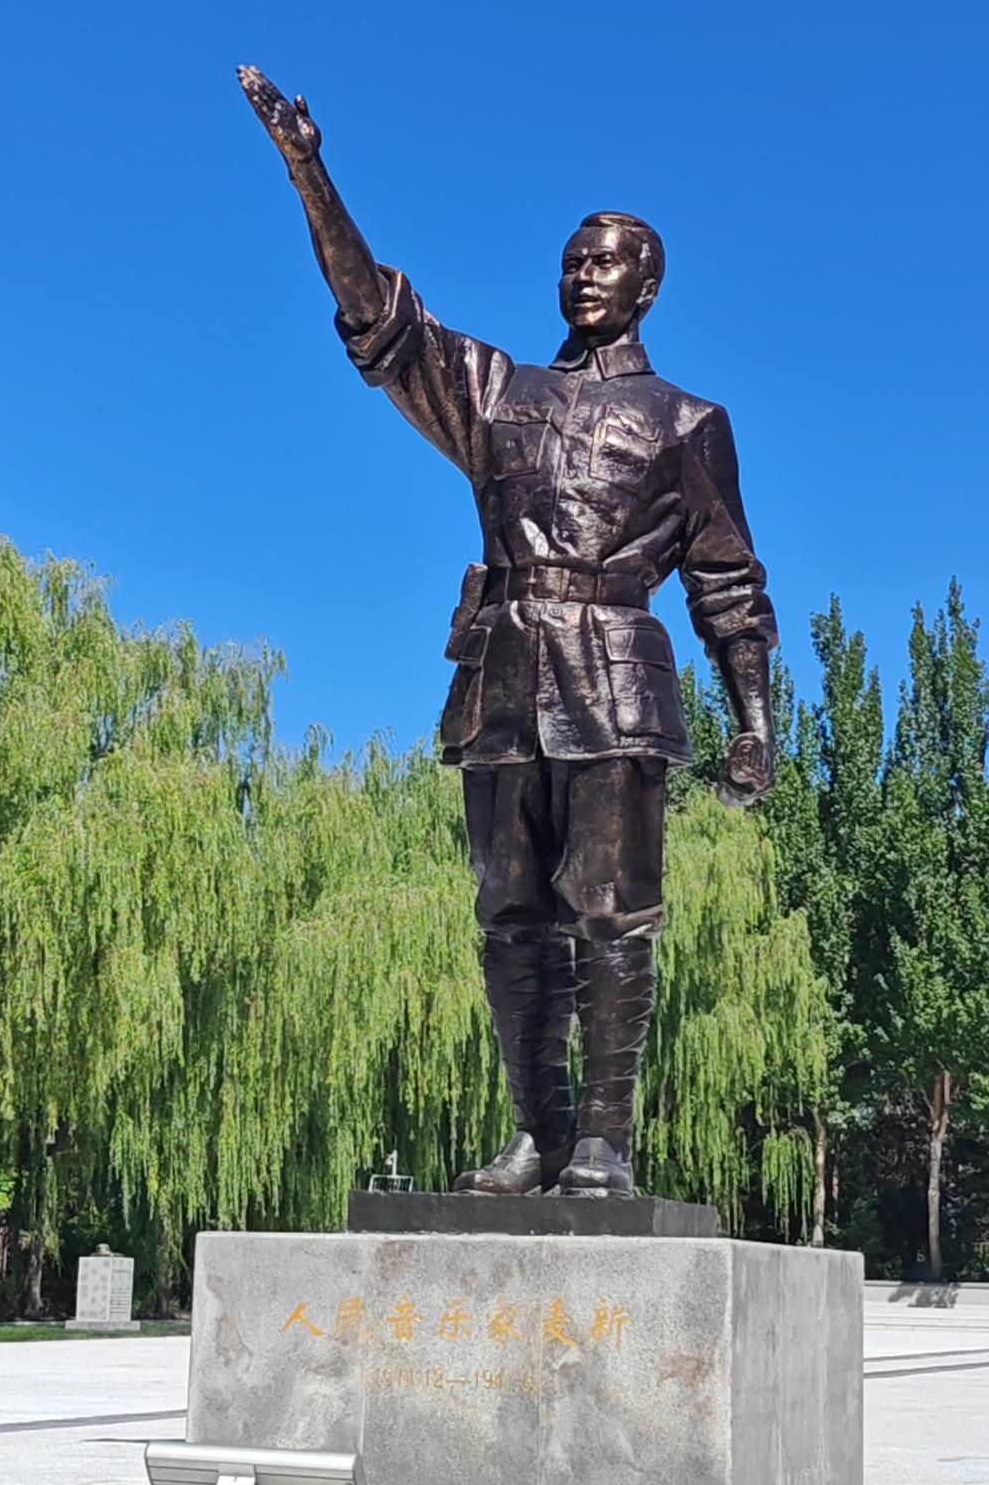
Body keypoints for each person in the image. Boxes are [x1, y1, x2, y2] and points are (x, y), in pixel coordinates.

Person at [240, 65, 777, 1198]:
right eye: (573, 258)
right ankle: (538, 1132)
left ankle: (604, 1142)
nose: (584, 273)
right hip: (503, 674)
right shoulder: (498, 393)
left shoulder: (687, 421)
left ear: (648, 286)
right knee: (510, 911)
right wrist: (309, 173)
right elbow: (381, 321)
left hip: (616, 675)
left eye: (607, 261)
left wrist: (754, 722)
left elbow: (727, 581)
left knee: (612, 912)